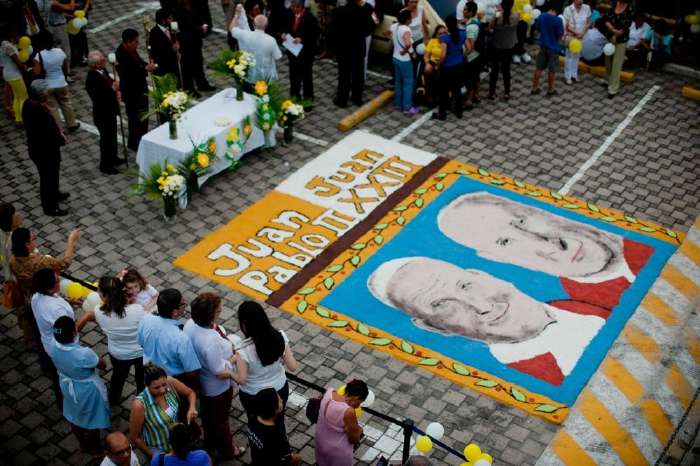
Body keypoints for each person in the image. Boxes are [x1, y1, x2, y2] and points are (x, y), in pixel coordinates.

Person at [367, 257, 606, 385]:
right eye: (441, 305)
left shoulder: (591, 290)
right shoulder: (522, 380)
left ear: (482, 274)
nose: (481, 306)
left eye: (465, 285)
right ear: (434, 327)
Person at [436, 191, 654, 310]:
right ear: (498, 259)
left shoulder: (643, 231)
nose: (546, 245)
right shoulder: (576, 310)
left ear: (536, 209)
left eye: (521, 221)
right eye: (504, 242)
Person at [182, 293, 246, 460]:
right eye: (218, 310)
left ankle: (210, 442)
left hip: (204, 380)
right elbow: (219, 371)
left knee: (210, 416)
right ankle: (228, 449)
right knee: (221, 419)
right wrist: (235, 359)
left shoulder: (190, 325)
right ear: (210, 315)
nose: (221, 311)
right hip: (217, 388)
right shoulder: (210, 341)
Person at [76, 276, 147, 406]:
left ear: (103, 295)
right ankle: (142, 403)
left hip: (119, 355)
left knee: (118, 378)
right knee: (141, 379)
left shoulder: (99, 312)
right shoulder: (137, 309)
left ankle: (114, 400)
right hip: (141, 353)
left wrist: (85, 317)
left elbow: (91, 315)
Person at [48, 315, 111, 455]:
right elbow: (102, 365)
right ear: (73, 333)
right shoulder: (83, 353)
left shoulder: (52, 344)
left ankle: (82, 444)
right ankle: (96, 449)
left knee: (74, 416)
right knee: (91, 421)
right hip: (87, 390)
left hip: (66, 385)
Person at [234, 300, 298, 426]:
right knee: (278, 422)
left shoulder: (242, 350)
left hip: (253, 395)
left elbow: (241, 379)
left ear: (244, 324)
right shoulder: (279, 336)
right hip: (279, 389)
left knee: (256, 425)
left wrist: (230, 373)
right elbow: (293, 366)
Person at [129, 364, 198, 460]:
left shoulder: (170, 382)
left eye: (164, 385)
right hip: (160, 448)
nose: (162, 390)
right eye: (156, 388)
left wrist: (192, 408)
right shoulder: (140, 405)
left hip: (180, 443)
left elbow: (190, 393)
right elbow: (135, 437)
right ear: (147, 386)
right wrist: (155, 457)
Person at [137, 288, 201, 391]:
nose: (185, 303)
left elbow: (140, 343)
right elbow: (191, 371)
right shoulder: (181, 339)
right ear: (175, 312)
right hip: (174, 382)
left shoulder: (145, 319)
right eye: (182, 304)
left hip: (150, 372)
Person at [23, 80, 69, 212]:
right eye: (45, 93)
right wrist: (60, 138)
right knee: (47, 178)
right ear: (40, 95)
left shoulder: (31, 104)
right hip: (44, 151)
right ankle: (50, 206)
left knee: (53, 175)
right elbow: (47, 132)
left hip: (45, 149)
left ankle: (55, 193)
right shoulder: (36, 110)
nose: (47, 95)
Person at [30, 268, 72, 409]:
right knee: (64, 377)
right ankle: (66, 404)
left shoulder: (36, 297)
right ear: (49, 288)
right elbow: (65, 331)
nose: (60, 280)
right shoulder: (56, 311)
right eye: (57, 280)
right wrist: (86, 317)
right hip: (61, 349)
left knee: (56, 375)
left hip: (48, 343)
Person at [329, 0, 375, 107]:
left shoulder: (339, 11)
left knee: (344, 75)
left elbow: (332, 30)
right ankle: (357, 98)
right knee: (358, 74)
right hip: (358, 47)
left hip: (344, 48)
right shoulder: (366, 11)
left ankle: (342, 100)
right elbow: (370, 28)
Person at [116, 29, 155, 151]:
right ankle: (135, 143)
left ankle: (141, 139)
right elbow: (129, 74)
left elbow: (139, 62)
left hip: (140, 90)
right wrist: (145, 69)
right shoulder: (121, 55)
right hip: (132, 93)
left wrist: (145, 65)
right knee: (135, 120)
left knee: (143, 118)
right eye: (136, 42)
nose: (137, 44)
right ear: (128, 42)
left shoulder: (131, 50)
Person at [315, 379, 368, 466]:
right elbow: (354, 439)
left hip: (321, 443)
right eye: (360, 402)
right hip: (337, 452)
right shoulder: (348, 411)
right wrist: (359, 430)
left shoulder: (329, 392)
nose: (358, 406)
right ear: (356, 398)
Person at [86, 50, 123, 175]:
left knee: (112, 136)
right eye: (102, 60)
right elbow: (99, 97)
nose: (105, 61)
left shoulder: (103, 71)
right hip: (103, 114)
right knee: (106, 140)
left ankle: (114, 157)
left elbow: (109, 81)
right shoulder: (92, 78)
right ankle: (106, 165)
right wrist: (112, 90)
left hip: (110, 111)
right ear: (96, 65)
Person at [33, 32, 79, 132]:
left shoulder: (39, 55)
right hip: (61, 82)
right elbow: (65, 67)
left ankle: (58, 129)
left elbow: (37, 72)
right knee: (66, 103)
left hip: (48, 85)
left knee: (52, 108)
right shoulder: (59, 52)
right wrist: (64, 76)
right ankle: (72, 124)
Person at [229, 4, 283, 85]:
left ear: (253, 24)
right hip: (265, 77)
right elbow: (277, 56)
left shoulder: (245, 35)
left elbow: (231, 28)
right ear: (266, 26)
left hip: (249, 75)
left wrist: (237, 14)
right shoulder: (271, 40)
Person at [247, 388, 301, 466]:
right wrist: (298, 457)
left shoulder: (253, 418)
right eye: (279, 400)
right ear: (274, 409)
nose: (282, 400)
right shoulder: (277, 435)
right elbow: (289, 459)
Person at [174, 0, 215, 96]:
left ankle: (202, 84)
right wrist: (200, 29)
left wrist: (203, 26)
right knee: (188, 68)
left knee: (198, 64)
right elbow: (186, 27)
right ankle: (190, 89)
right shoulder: (177, 12)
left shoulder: (192, 6)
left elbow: (198, 18)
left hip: (195, 41)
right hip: (186, 44)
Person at [282, 0, 319, 104]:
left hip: (306, 54)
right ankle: (294, 98)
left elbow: (315, 35)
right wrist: (284, 34)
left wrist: (302, 39)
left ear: (300, 7)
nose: (291, 9)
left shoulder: (310, 18)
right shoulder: (290, 15)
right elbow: (287, 27)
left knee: (307, 78)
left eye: (293, 7)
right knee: (293, 77)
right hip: (293, 52)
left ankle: (308, 101)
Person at [434, 15, 465, 120]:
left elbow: (443, 55)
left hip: (447, 67)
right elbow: (469, 48)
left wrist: (438, 65)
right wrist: (461, 57)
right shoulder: (462, 34)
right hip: (459, 65)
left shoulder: (445, 38)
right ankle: (458, 111)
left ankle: (442, 114)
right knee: (457, 89)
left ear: (447, 26)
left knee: (443, 91)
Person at [530, 1, 563, 96]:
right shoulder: (558, 20)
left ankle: (534, 88)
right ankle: (550, 89)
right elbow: (560, 34)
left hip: (543, 45)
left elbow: (538, 27)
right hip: (553, 48)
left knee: (538, 68)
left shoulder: (542, 16)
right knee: (552, 70)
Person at [37, 0, 75, 79]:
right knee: (66, 51)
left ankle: (62, 71)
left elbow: (57, 12)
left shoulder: (46, 2)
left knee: (57, 50)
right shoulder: (53, 3)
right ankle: (66, 73)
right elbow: (71, 8)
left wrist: (66, 16)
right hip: (58, 28)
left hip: (51, 26)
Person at [489, 0, 519, 100]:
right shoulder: (516, 16)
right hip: (509, 46)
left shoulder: (498, 17)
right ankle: (507, 92)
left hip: (497, 46)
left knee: (495, 71)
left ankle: (492, 92)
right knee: (506, 70)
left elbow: (490, 28)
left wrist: (498, 13)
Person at [391, 10, 418, 116]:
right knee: (408, 83)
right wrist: (406, 50)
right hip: (405, 60)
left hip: (395, 57)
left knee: (398, 81)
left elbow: (390, 37)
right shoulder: (406, 29)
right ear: (407, 19)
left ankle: (398, 103)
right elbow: (407, 43)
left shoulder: (394, 26)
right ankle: (407, 107)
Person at [604, 0, 632, 98]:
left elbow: (624, 28)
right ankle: (608, 80)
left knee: (616, 64)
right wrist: (612, 30)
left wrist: (615, 35)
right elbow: (606, 20)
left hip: (621, 40)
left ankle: (613, 89)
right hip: (610, 36)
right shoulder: (614, 4)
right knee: (608, 60)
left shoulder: (630, 9)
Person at [1, 31, 28, 127]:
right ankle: (24, 118)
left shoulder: (3, 44)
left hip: (8, 74)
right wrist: (24, 70)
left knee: (17, 97)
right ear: (12, 36)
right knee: (24, 97)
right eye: (17, 36)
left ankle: (18, 119)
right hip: (14, 75)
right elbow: (17, 61)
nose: (18, 39)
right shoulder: (9, 47)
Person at [563, 0, 591, 84]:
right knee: (569, 56)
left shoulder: (587, 8)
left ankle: (574, 75)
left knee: (577, 56)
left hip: (581, 36)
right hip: (571, 36)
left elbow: (589, 22)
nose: (581, 1)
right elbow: (566, 25)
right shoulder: (568, 9)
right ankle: (567, 76)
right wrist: (576, 33)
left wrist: (582, 32)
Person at [149, 8, 181, 83]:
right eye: (169, 18)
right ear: (163, 20)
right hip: (164, 68)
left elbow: (175, 39)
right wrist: (172, 49)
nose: (172, 19)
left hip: (174, 63)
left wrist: (177, 46)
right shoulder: (155, 33)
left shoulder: (170, 27)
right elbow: (158, 53)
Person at [421, 25, 446, 106]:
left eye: (444, 33)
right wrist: (427, 63)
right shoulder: (432, 41)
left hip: (444, 63)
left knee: (440, 74)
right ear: (436, 35)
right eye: (440, 34)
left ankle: (438, 96)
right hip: (433, 61)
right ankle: (429, 96)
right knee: (427, 71)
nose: (442, 35)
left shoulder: (448, 42)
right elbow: (426, 55)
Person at [461, 1, 480, 110]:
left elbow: (471, 46)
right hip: (477, 55)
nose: (463, 11)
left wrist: (464, 55)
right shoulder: (475, 21)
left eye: (465, 10)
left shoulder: (470, 28)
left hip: (471, 57)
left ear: (470, 12)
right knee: (476, 77)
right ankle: (476, 96)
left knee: (470, 79)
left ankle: (469, 101)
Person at [68, 0, 91, 68]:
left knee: (81, 36)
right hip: (71, 16)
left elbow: (88, 2)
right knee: (72, 38)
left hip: (80, 14)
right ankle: (74, 58)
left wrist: (85, 9)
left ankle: (81, 56)